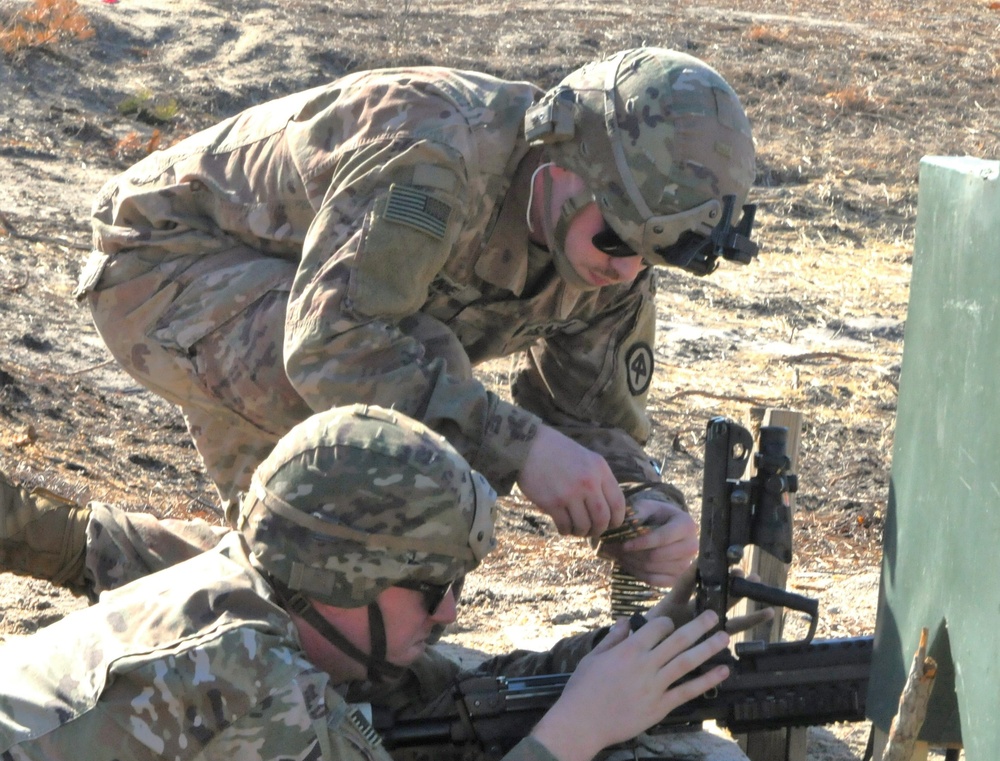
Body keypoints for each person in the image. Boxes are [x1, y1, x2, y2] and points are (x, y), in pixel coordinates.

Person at [0, 404, 734, 761]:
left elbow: (438, 702)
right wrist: (574, 735)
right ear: (342, 579)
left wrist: (623, 656)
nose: (449, 613)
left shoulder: (255, 575)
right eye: (432, 587)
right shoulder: (249, 676)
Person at [75, 47, 758, 588]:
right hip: (163, 268)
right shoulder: (433, 154)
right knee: (395, 499)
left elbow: (590, 419)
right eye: (616, 241)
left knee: (286, 577)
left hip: (312, 309)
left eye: (652, 259)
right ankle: (81, 549)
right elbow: (334, 347)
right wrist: (518, 446)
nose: (627, 272)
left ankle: (75, 548)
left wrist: (641, 507)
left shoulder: (616, 241)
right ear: (558, 174)